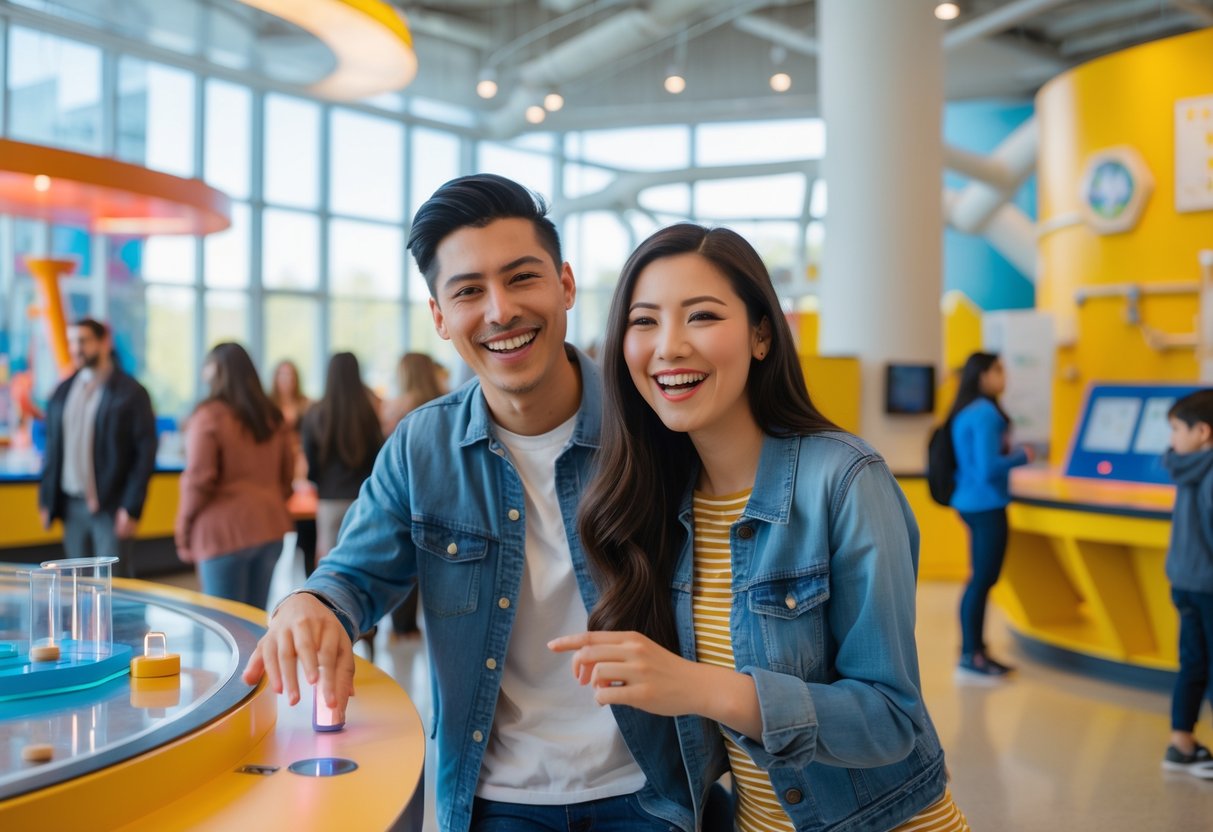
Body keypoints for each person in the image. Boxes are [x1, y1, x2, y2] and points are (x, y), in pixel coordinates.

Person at [241, 174, 709, 832]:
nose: (499, 310)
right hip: (497, 802)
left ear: (565, 285)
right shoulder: (422, 445)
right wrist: (306, 603)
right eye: (467, 291)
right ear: (439, 317)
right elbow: (351, 574)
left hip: (651, 790)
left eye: (522, 278)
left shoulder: (653, 425)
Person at [549, 224, 966, 832]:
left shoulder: (845, 481)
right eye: (644, 321)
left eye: (702, 317)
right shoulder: (657, 500)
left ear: (761, 335)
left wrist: (699, 686)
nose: (668, 346)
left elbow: (892, 720)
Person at [176, 343, 294, 608]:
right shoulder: (272, 417)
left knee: (224, 624)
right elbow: (287, 477)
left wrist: (183, 529)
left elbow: (197, 480)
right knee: (253, 620)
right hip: (269, 527)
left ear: (217, 371)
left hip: (222, 532)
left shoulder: (209, 416)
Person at [38, 318, 157, 578]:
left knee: (115, 585)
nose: (75, 348)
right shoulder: (62, 391)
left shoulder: (131, 393)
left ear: (104, 343)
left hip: (111, 507)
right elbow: (53, 448)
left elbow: (145, 453)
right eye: (71, 342)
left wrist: (132, 506)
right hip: (71, 506)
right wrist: (46, 498)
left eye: (83, 341)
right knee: (75, 584)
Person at [946, 352, 1032, 680]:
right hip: (986, 504)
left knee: (979, 579)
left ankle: (973, 651)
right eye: (998, 369)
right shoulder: (985, 415)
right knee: (982, 580)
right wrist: (1023, 456)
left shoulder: (968, 411)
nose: (1004, 376)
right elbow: (987, 468)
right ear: (982, 375)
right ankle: (972, 654)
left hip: (970, 502)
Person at [1160, 389, 1213, 778]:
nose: (1173, 438)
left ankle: (1181, 745)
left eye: (1176, 428)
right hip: (1209, 583)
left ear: (1203, 432)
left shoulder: (1183, 467)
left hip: (1183, 581)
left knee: (1192, 662)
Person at [378, 351, 447, 638]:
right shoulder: (446, 402)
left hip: (409, 490)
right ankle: (421, 623)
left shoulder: (395, 409)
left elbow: (387, 454)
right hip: (444, 488)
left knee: (404, 557)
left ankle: (401, 623)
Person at [301, 352, 384, 562]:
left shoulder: (316, 412)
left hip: (329, 499)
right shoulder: (367, 412)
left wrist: (317, 481)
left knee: (330, 566)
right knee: (362, 560)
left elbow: (310, 459)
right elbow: (378, 453)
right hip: (362, 497)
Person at [267, 358, 311, 481]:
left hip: (301, 457)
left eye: (291, 375)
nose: (288, 379)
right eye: (283, 375)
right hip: (276, 455)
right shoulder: (268, 406)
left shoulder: (305, 404)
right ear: (275, 378)